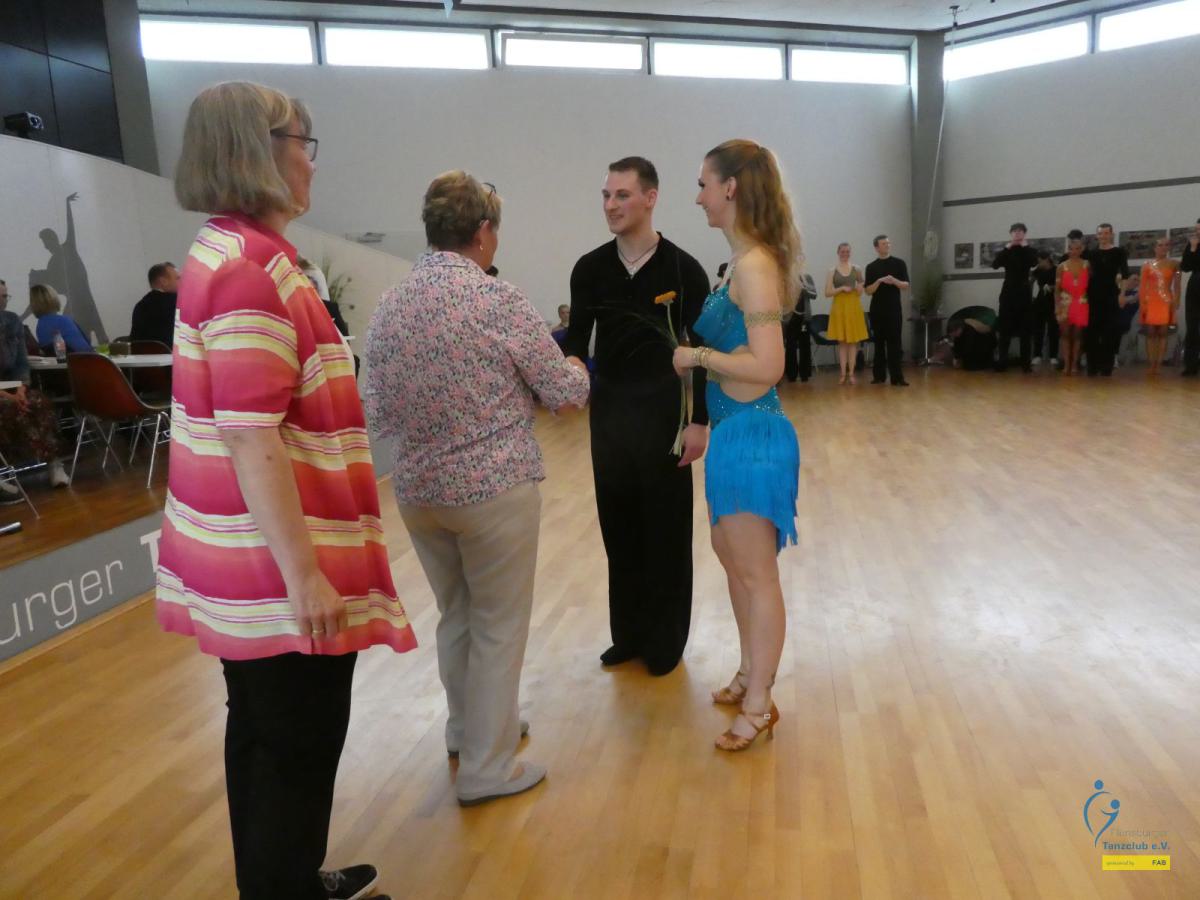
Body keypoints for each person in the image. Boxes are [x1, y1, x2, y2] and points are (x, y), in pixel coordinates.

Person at [154, 81, 410, 900]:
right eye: (304, 142)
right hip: (272, 573)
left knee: (267, 738)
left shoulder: (237, 253)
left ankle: (285, 879)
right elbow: (248, 433)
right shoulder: (249, 271)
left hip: (253, 563)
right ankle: (283, 885)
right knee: (295, 743)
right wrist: (305, 576)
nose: (312, 160)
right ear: (259, 152)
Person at [364, 171, 588, 807]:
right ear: (483, 231)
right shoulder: (497, 299)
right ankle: (488, 769)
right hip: (494, 487)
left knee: (457, 614)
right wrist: (575, 366)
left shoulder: (390, 305)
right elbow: (564, 393)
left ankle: (468, 730)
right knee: (498, 624)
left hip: (419, 489)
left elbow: (376, 408)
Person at [674, 139, 801, 752]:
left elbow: (769, 365)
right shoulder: (740, 262)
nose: (697, 196)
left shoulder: (752, 266)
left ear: (730, 187)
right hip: (732, 433)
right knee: (734, 561)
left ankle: (760, 703)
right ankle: (750, 673)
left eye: (703, 183)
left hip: (753, 436)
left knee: (756, 574)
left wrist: (697, 357)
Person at [565, 157, 711, 676]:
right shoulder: (590, 269)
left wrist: (699, 421)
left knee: (666, 530)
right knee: (619, 527)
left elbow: (702, 352)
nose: (611, 205)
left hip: (665, 418)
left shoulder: (683, 269)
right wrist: (570, 373)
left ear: (650, 198)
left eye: (622, 195)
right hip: (609, 418)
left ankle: (665, 641)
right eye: (606, 195)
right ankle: (627, 634)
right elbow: (576, 344)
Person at [0, 278, 69, 493]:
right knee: (10, 408)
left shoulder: (12, 321)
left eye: (5, 296)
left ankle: (54, 463)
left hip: (12, 384)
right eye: (1, 296)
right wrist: (9, 396)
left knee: (37, 401)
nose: (4, 300)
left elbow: (21, 361)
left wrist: (21, 389)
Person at [1083, 223, 1131, 377]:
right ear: (1097, 236)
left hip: (1111, 294)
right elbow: (1086, 274)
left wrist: (1122, 294)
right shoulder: (1090, 253)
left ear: (1111, 234)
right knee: (1092, 331)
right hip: (1093, 294)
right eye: (1100, 233)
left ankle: (1106, 366)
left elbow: (1125, 274)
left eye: (1106, 233)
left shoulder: (1119, 252)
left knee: (1109, 331)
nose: (1103, 236)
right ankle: (1092, 366)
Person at [991, 223, 1039, 372]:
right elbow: (995, 265)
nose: (1017, 234)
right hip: (1008, 293)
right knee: (1004, 330)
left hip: (1023, 292)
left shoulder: (1030, 250)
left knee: (1025, 331)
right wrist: (1007, 248)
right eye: (1015, 231)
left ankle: (1026, 364)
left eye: (1020, 231)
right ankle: (1002, 361)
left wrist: (1025, 247)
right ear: (1011, 234)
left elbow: (1034, 262)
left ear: (1024, 234)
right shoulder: (1007, 250)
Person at [863, 235, 909, 386]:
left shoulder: (899, 263)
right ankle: (879, 376)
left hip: (894, 309)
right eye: (884, 244)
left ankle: (897, 377)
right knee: (879, 343)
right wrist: (878, 281)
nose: (887, 245)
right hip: (877, 310)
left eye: (888, 243)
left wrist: (894, 281)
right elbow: (868, 291)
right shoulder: (871, 267)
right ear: (877, 247)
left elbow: (905, 285)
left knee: (895, 343)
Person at [824, 243, 868, 384]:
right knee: (842, 343)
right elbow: (827, 292)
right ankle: (843, 374)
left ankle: (851, 374)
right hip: (839, 307)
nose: (845, 254)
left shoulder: (857, 269)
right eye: (843, 251)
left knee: (853, 343)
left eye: (847, 251)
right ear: (838, 252)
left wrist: (860, 287)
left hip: (853, 307)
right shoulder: (832, 270)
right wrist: (841, 288)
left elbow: (860, 291)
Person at [1138, 237, 1180, 375]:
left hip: (1166, 300)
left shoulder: (1174, 264)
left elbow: (1177, 285)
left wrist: (1176, 301)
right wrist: (1142, 303)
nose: (1163, 247)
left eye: (1166, 245)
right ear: (1155, 248)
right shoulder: (1146, 265)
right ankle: (1151, 363)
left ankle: (1159, 364)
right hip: (1150, 301)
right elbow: (1142, 286)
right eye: (1160, 245)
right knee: (1150, 333)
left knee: (1163, 333)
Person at [1056, 230, 1090, 376]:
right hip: (1065, 303)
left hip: (1081, 302)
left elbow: (1092, 285)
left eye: (1077, 249)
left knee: (1077, 335)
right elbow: (1057, 289)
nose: (1074, 251)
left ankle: (1075, 363)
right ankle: (1066, 364)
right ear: (1068, 250)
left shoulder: (1087, 265)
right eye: (1071, 249)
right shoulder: (1061, 267)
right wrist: (1057, 305)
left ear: (1082, 250)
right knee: (1065, 335)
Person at [130, 262, 179, 347]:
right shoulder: (177, 302)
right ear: (163, 281)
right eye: (178, 278)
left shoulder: (140, 305)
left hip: (140, 353)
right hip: (170, 353)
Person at [30, 284, 91, 352]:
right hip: (84, 357)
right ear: (54, 299)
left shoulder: (40, 327)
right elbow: (86, 347)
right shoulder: (65, 320)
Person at [783, 272, 815, 383]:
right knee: (790, 346)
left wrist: (804, 289)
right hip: (790, 317)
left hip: (804, 317)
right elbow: (781, 296)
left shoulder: (807, 277)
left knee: (805, 345)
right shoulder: (785, 276)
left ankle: (805, 374)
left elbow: (814, 295)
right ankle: (791, 375)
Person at [1030, 251, 1059, 367]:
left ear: (1046, 259)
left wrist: (1053, 287)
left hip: (1054, 302)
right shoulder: (1038, 270)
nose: (1038, 263)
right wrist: (1030, 296)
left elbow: (1063, 284)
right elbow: (1031, 281)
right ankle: (1037, 355)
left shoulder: (1057, 269)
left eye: (1040, 261)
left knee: (1053, 329)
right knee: (1038, 329)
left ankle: (1053, 356)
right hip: (1040, 302)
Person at [1181, 219, 1200, 376]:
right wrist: (1193, 248)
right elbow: (1185, 267)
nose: (1198, 232)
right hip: (1195, 286)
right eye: (1197, 229)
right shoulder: (1193, 244)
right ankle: (1191, 365)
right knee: (1192, 327)